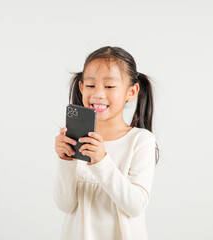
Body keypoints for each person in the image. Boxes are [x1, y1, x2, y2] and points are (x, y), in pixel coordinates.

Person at [53, 46, 160, 240]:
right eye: (91, 85)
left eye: (109, 86)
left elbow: (135, 205)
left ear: (132, 91)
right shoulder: (76, 138)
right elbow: (64, 205)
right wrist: (65, 161)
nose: (98, 94)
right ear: (81, 87)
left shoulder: (140, 140)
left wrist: (101, 161)